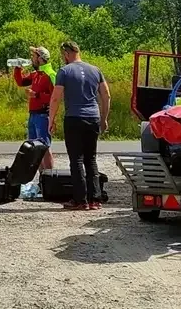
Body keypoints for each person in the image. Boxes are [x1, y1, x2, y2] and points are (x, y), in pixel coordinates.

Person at [48, 41, 111, 211]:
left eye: (63, 55)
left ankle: (80, 199)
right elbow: (106, 96)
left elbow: (55, 98)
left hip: (74, 118)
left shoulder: (64, 71)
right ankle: (95, 199)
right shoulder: (95, 70)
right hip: (93, 117)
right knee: (91, 159)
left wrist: (51, 119)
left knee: (76, 159)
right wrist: (104, 118)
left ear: (67, 53)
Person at [12, 45, 56, 173]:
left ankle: (50, 177)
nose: (31, 59)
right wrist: (18, 68)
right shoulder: (35, 74)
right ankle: (43, 178)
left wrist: (36, 95)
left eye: (34, 56)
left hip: (43, 115)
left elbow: (55, 97)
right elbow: (21, 82)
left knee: (44, 147)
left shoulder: (50, 74)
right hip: (33, 115)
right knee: (34, 148)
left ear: (40, 58)